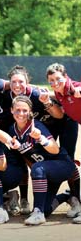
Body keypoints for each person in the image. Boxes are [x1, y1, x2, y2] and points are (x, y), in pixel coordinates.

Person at [3, 65, 80, 217]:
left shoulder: (37, 94)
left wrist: (47, 102)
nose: (17, 86)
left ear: (27, 83)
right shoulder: (9, 98)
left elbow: (59, 115)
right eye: (14, 82)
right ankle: (36, 199)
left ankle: (76, 198)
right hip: (41, 129)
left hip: (62, 124)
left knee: (66, 160)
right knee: (35, 159)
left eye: (21, 82)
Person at [7, 95, 76, 225]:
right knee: (47, 209)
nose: (21, 113)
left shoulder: (36, 126)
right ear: (11, 110)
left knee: (37, 168)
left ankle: (37, 213)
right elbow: (26, 157)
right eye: (17, 110)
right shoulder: (12, 129)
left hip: (62, 166)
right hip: (45, 173)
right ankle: (65, 197)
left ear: (30, 112)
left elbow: (55, 149)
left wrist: (41, 139)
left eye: (25, 110)